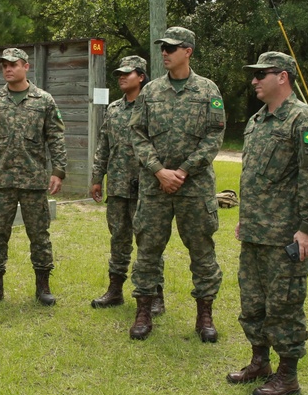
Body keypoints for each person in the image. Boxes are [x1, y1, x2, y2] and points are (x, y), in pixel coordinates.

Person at [229, 52, 308, 395]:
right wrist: (245, 217)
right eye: (254, 75)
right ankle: (260, 362)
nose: (255, 81)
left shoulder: (303, 120)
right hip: (257, 231)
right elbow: (254, 177)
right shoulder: (258, 120)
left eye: (262, 74)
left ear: (283, 77)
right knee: (252, 302)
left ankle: (288, 374)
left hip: (286, 235)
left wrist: (307, 227)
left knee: (284, 306)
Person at [127, 27, 226, 341]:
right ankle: (144, 311)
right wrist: (159, 171)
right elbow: (137, 134)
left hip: (194, 186)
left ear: (188, 51)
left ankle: (205, 315)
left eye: (172, 48)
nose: (165, 53)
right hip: (155, 186)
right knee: (147, 250)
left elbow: (214, 137)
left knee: (202, 250)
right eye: (163, 48)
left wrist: (182, 170)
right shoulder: (151, 92)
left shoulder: (208, 90)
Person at [0, 47, 67, 306]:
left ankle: (43, 286)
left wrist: (58, 171)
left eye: (13, 64)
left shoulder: (44, 100)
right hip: (2, 181)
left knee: (39, 234)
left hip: (33, 181)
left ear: (26, 66)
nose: (7, 69)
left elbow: (55, 137)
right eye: (4, 65)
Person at [89, 55, 163, 316]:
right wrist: (97, 177)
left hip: (147, 187)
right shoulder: (113, 109)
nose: (121, 77)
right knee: (118, 239)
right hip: (119, 186)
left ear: (141, 76)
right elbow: (104, 146)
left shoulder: (154, 106)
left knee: (149, 242)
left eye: (127, 73)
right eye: (119, 73)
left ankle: (155, 295)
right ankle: (115, 291)